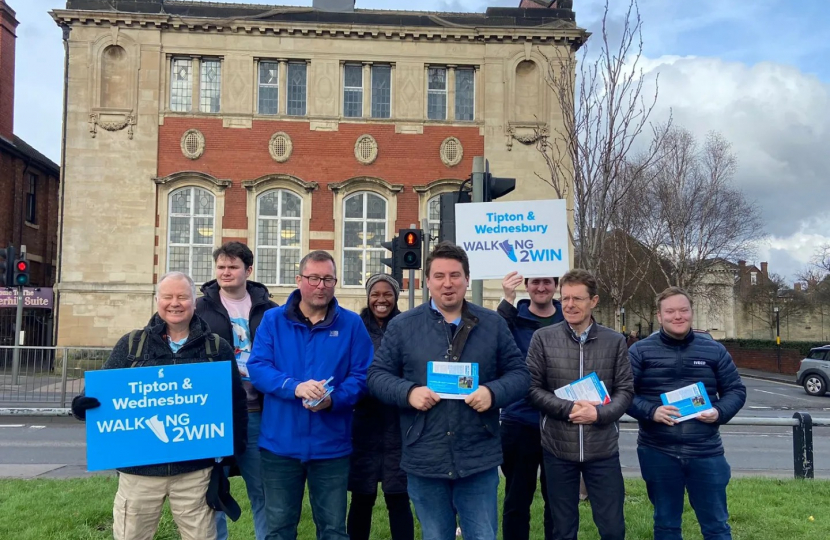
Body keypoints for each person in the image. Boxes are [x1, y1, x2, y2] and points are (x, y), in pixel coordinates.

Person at [368, 242, 530, 540]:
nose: (447, 283)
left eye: (455, 275)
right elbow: (377, 376)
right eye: (439, 276)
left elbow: (520, 375)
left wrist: (492, 393)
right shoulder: (403, 326)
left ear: (467, 279)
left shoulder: (492, 324)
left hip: (478, 455)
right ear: (427, 281)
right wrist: (409, 392)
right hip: (424, 455)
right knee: (435, 535)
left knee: (482, 535)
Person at [71, 271, 247, 540]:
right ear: (157, 300)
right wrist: (81, 406)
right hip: (139, 472)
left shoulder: (216, 348)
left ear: (194, 301)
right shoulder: (131, 345)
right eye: (167, 297)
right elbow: (100, 393)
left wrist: (233, 451)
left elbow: (236, 403)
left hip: (194, 471)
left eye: (182, 297)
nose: (174, 303)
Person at [247, 250, 374, 540]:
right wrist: (294, 386)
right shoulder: (273, 320)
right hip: (280, 445)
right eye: (314, 278)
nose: (321, 285)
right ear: (299, 280)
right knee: (278, 529)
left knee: (333, 530)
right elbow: (258, 367)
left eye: (328, 279)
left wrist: (334, 399)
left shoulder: (352, 324)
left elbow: (363, 375)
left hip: (332, 446)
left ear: (335, 282)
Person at [627, 287, 746, 540]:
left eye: (683, 310)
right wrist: (652, 411)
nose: (677, 316)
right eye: (670, 311)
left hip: (706, 451)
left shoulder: (714, 350)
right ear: (659, 316)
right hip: (657, 451)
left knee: (716, 525)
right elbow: (624, 393)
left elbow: (736, 390)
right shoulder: (640, 351)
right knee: (666, 524)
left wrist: (718, 411)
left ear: (692, 313)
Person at [526, 269, 633, 540]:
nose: (570, 305)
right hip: (558, 449)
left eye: (578, 299)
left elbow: (625, 391)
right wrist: (569, 409)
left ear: (593, 301)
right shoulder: (543, 338)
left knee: (612, 528)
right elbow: (531, 388)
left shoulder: (615, 341)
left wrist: (597, 414)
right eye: (565, 299)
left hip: (603, 450)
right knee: (562, 529)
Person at [196, 242, 278, 540]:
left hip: (256, 411)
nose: (226, 272)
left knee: (263, 489)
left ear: (248, 270)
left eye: (232, 267)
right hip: (212, 412)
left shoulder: (270, 310)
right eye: (221, 267)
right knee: (211, 490)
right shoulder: (198, 308)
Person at [347, 274, 414, 540]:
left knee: (398, 498)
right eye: (376, 294)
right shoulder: (355, 327)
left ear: (396, 297)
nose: (381, 300)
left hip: (398, 424)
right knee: (362, 499)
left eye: (387, 294)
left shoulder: (406, 326)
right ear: (368, 297)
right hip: (363, 424)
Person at [497, 272, 563, 540]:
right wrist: (507, 299)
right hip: (519, 422)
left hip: (559, 422)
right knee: (516, 500)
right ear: (527, 285)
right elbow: (491, 339)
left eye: (548, 281)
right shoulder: (512, 318)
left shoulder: (567, 318)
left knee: (557, 502)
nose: (541, 287)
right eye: (535, 281)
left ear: (556, 286)